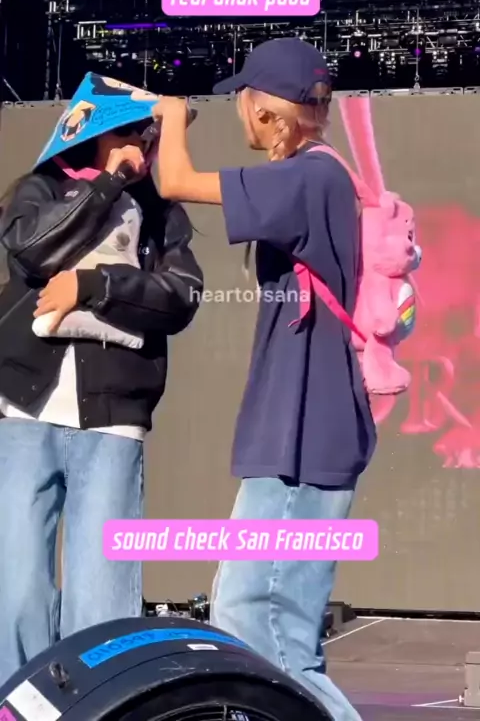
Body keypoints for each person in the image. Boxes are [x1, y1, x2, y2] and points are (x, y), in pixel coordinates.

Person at [153, 37, 376, 721]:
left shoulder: (310, 178)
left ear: (268, 111)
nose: (239, 115)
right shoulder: (317, 178)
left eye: (243, 102)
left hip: (300, 440)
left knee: (263, 628)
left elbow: (174, 181)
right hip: (299, 435)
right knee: (263, 630)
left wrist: (169, 118)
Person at [0, 114, 203, 687]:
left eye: (148, 138)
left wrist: (97, 285)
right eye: (128, 134)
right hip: (25, 411)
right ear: (93, 134)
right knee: (17, 587)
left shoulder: (160, 213)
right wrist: (107, 184)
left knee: (102, 594)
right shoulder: (42, 188)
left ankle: (99, 703)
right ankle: (18, 702)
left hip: (114, 419)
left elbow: (182, 295)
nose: (140, 146)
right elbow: (32, 250)